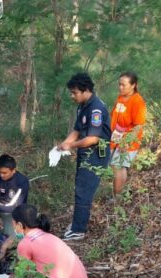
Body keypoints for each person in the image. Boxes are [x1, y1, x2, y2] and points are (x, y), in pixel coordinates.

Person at [58, 73, 111, 241]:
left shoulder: (96, 109)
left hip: (95, 154)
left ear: (86, 90)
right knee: (80, 187)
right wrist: (63, 144)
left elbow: (93, 138)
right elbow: (77, 130)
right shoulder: (83, 105)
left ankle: (78, 229)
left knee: (84, 190)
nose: (72, 96)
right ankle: (77, 224)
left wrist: (71, 146)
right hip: (85, 153)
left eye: (74, 93)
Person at [12, 204, 88, 278]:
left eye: (13, 223)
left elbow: (23, 274)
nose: (13, 227)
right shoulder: (47, 235)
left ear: (19, 225)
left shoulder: (25, 243)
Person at [110, 72, 146, 195]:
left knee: (119, 166)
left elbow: (139, 125)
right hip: (116, 136)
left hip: (128, 139)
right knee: (114, 166)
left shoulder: (137, 101)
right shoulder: (120, 98)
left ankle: (117, 197)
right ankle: (119, 193)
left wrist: (127, 142)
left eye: (123, 85)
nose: (120, 87)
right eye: (119, 84)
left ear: (133, 85)